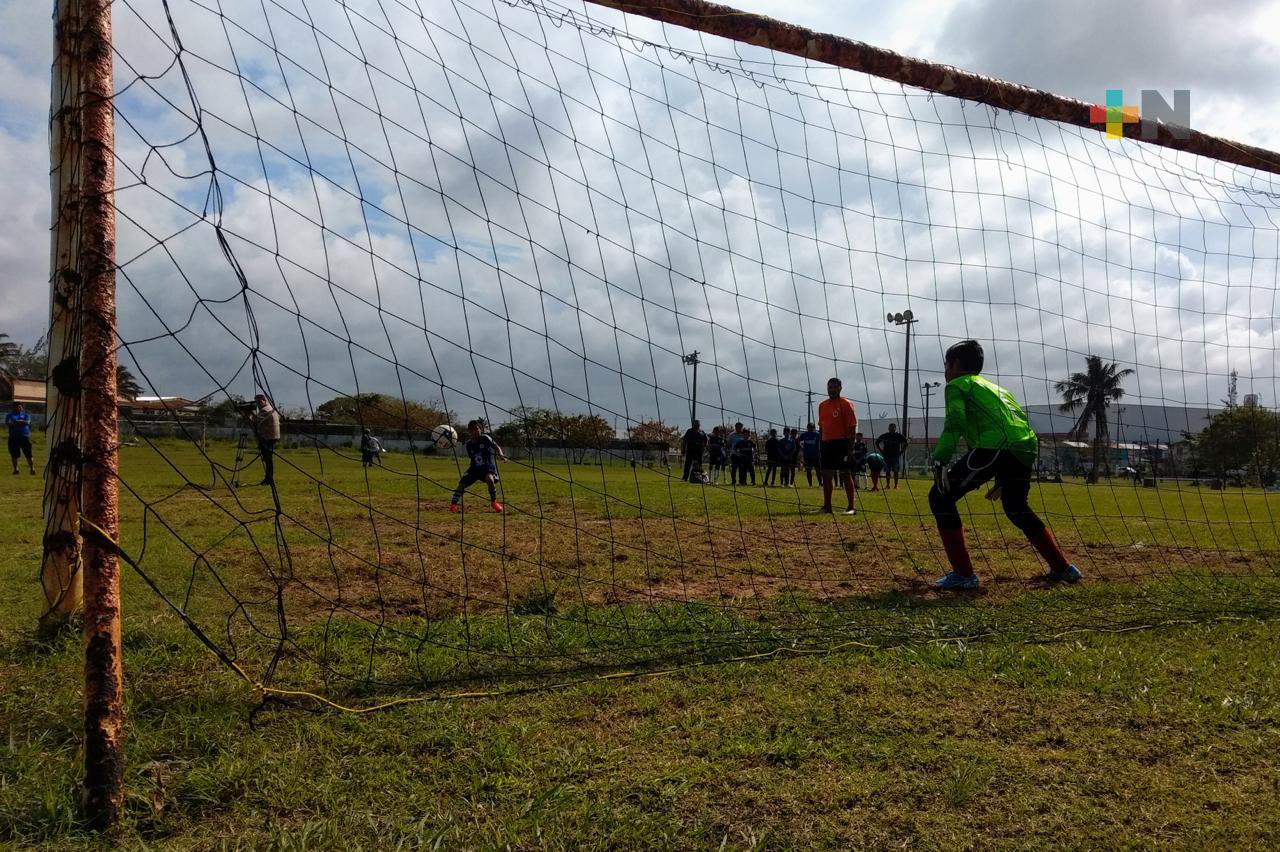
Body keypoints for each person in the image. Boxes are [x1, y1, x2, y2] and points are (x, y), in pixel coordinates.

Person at [929, 340, 1082, 590]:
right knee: (1015, 506)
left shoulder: (957, 384)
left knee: (940, 497)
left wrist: (940, 459)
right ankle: (1063, 568)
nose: (945, 370)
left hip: (996, 446)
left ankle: (964, 575)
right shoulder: (998, 389)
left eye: (945, 364)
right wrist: (1006, 471)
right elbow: (1018, 421)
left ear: (954, 365)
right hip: (1024, 447)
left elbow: (955, 420)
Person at [817, 377, 858, 514]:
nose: (832, 390)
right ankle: (827, 507)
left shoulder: (846, 404)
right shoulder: (822, 405)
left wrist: (850, 448)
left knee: (845, 474)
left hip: (842, 443)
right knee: (826, 475)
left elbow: (852, 427)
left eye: (835, 387)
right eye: (830, 387)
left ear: (840, 388)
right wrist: (821, 443)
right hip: (827, 444)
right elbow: (821, 427)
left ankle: (851, 507)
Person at [450, 419, 505, 513]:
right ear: (469, 431)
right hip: (474, 469)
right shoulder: (468, 444)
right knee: (461, 485)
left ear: (480, 429)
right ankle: (453, 505)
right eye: (471, 430)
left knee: (490, 479)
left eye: (476, 429)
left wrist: (500, 454)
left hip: (487, 467)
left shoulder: (485, 438)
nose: (474, 431)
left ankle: (494, 503)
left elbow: (496, 446)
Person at [250, 394, 281, 486]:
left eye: (260, 402)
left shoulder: (264, 410)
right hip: (272, 436)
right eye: (257, 402)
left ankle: (269, 479)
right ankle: (268, 478)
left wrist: (247, 415)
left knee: (268, 459)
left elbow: (255, 423)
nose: (258, 404)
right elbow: (259, 420)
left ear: (264, 400)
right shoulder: (270, 408)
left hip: (267, 437)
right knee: (268, 459)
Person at [876, 422, 909, 489]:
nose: (892, 428)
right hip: (887, 455)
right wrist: (881, 451)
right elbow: (877, 442)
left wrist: (901, 451)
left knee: (895, 471)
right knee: (887, 471)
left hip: (895, 456)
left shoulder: (899, 436)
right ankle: (887, 485)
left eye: (894, 427)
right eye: (891, 427)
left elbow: (906, 443)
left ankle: (896, 485)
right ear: (888, 428)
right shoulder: (885, 435)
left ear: (895, 428)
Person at [6, 401, 35, 476]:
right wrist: (21, 422)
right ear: (13, 407)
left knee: (28, 454)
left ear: (22, 407)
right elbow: (8, 424)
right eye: (17, 406)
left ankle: (32, 469)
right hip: (13, 437)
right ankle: (16, 469)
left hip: (24, 437)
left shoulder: (26, 415)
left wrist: (18, 421)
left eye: (20, 406)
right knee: (14, 454)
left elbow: (27, 422)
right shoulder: (9, 415)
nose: (19, 408)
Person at [797, 421, 821, 486]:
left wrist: (819, 452)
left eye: (812, 427)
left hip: (816, 456)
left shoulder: (817, 434)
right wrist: (801, 447)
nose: (810, 428)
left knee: (818, 470)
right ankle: (810, 484)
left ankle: (820, 484)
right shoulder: (804, 434)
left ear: (813, 428)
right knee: (808, 470)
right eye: (809, 427)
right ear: (807, 428)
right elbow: (798, 439)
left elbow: (820, 443)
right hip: (807, 456)